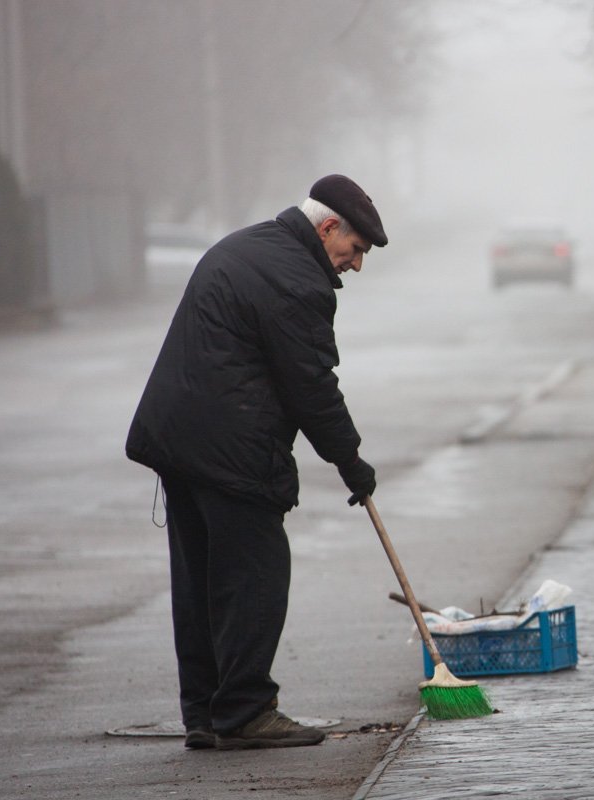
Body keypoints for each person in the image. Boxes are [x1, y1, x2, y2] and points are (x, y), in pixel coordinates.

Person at [125, 175, 386, 751]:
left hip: (178, 443)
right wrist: (350, 460)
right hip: (233, 450)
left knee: (200, 580)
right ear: (328, 228)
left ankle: (203, 712)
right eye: (355, 248)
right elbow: (311, 385)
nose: (356, 264)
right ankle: (244, 711)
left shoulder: (242, 246)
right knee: (255, 577)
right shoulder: (298, 282)